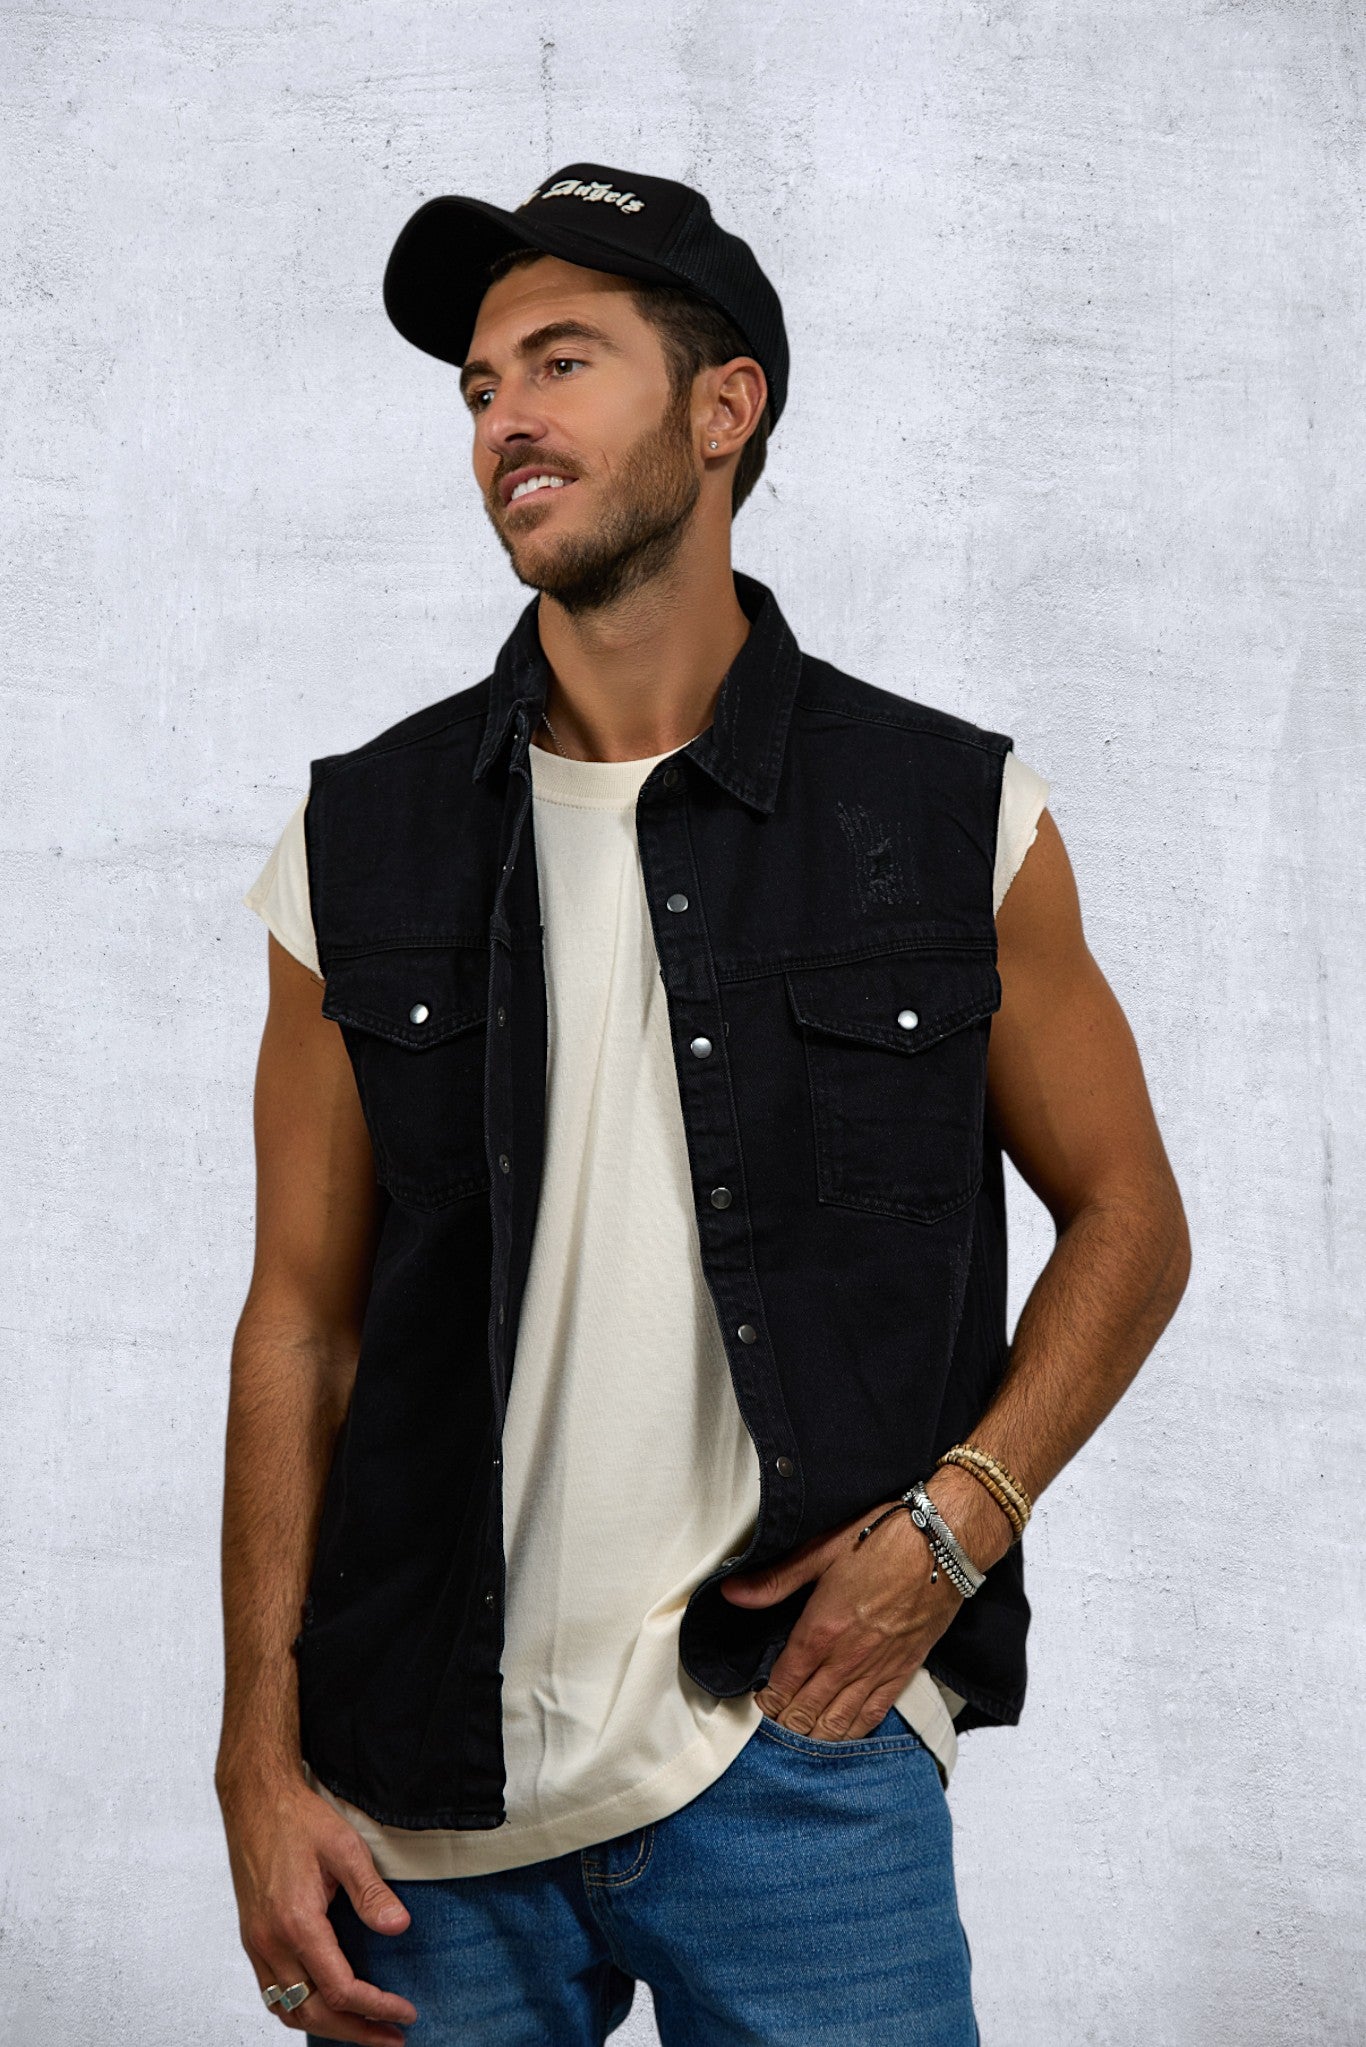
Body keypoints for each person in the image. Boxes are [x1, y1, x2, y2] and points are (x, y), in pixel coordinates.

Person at [216, 163, 1191, 2046]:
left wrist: (953, 1531)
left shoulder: (944, 814)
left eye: (560, 362)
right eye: (481, 385)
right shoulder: (360, 838)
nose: (505, 418)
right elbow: (302, 1324)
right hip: (417, 1802)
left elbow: (1131, 1219)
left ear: (722, 407)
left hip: (800, 1754)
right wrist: (256, 1758)